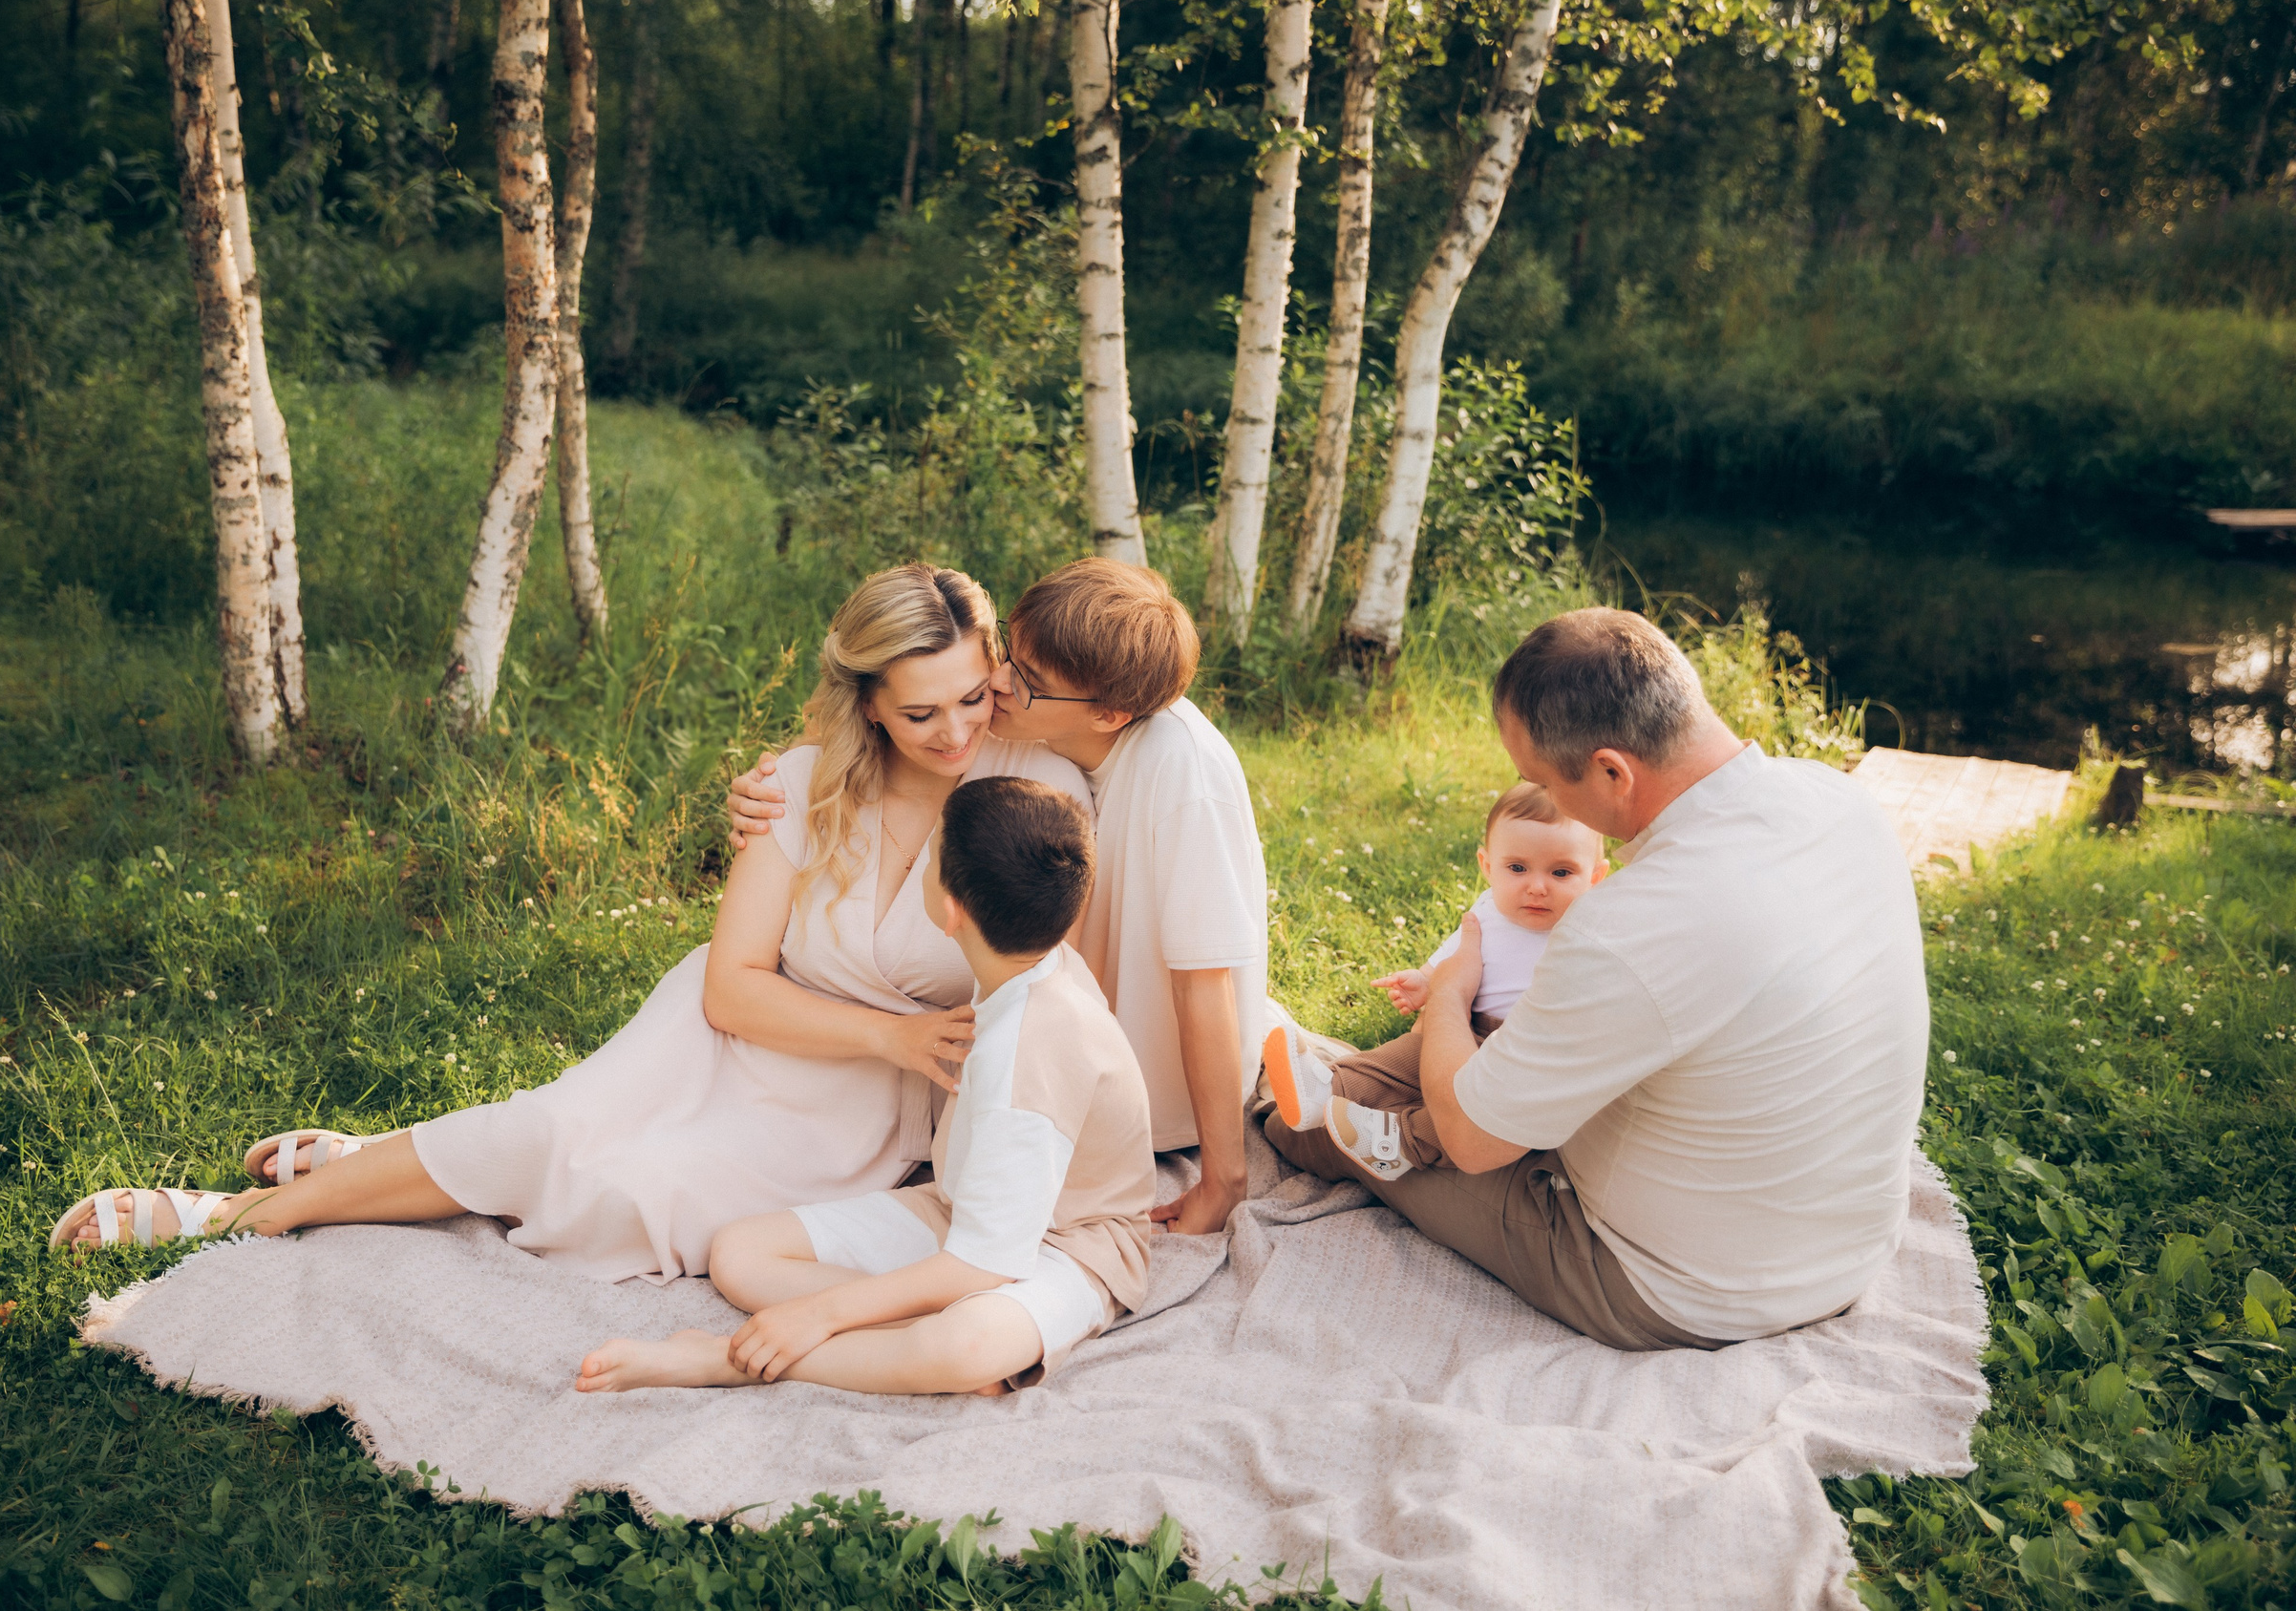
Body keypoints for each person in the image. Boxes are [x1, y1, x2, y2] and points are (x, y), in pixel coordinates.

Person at [49, 565, 1095, 1278]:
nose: (955, 730)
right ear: (868, 701)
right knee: (544, 1131)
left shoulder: (1037, 789)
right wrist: (890, 1030)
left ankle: (377, 1155)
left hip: (870, 1102)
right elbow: (733, 987)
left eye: (971, 697)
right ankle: (228, 1216)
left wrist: (909, 1051)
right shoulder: (801, 783)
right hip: (729, 1034)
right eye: (920, 712)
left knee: (625, 1198)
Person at [1261, 607, 1928, 1352]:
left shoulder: (1631, 925)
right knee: (1429, 1075)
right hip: (1847, 1237)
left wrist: (1448, 995)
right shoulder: (1839, 800)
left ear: (1613, 770)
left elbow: (1473, 1141)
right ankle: (1335, 1085)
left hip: (1678, 1284)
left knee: (1318, 1124)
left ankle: (1280, 1108)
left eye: (1540, 778)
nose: (1537, 793)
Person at [729, 559, 1266, 1236]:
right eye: (1010, 657)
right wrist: (793, 786)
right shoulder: (1069, 735)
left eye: (1028, 682)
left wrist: (1224, 1179)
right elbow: (918, 669)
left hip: (1130, 1090)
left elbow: (1204, 981)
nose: (1000, 682)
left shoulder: (1181, 773)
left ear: (1108, 712)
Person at [577, 776, 1153, 1396]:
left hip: (1069, 1245)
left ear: (951, 909)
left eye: (929, 860)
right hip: (958, 1212)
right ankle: (902, 1341)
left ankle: (724, 1360)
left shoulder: (1031, 1054)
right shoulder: (1029, 954)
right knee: (740, 1252)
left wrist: (819, 1313)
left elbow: (983, 1263)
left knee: (963, 1346)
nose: (922, 867)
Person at [1261, 781, 1606, 1182]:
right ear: (1486, 865)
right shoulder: (1486, 910)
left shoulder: (1586, 930)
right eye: (1517, 868)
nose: (1536, 886)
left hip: (1521, 1048)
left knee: (1478, 1110)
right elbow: (1452, 956)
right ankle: (1328, 1088)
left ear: (1595, 878)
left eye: (1561, 872)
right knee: (1405, 1055)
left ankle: (1402, 1144)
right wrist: (1425, 981)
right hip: (1463, 1022)